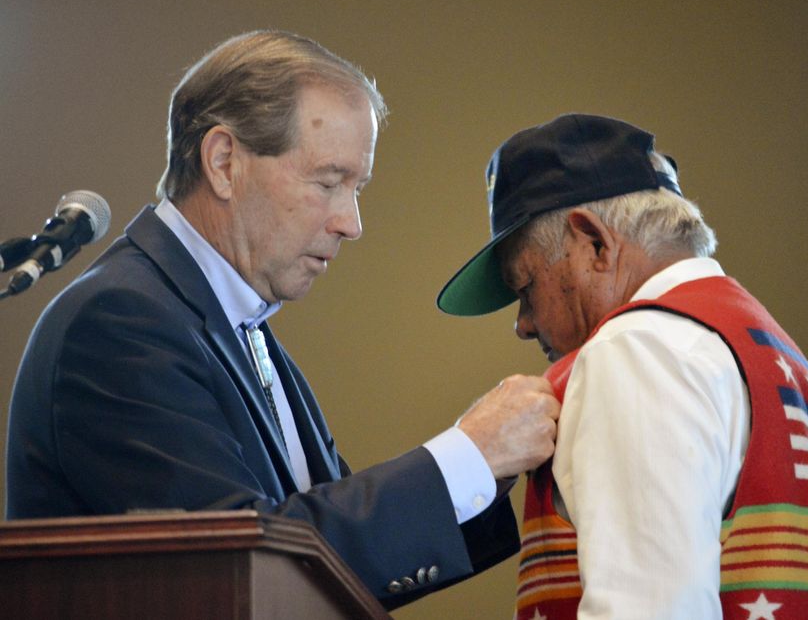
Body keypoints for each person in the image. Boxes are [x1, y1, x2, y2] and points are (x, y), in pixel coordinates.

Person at [5, 30, 562, 610]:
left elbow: (323, 559)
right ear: (224, 163)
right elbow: (230, 570)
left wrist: (483, 474)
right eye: (328, 182)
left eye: (358, 188)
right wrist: (464, 456)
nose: (352, 222)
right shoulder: (119, 321)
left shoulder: (241, 326)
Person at [437, 114, 808, 619]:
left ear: (594, 244)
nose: (523, 324)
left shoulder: (635, 349)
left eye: (524, 287)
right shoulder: (769, 351)